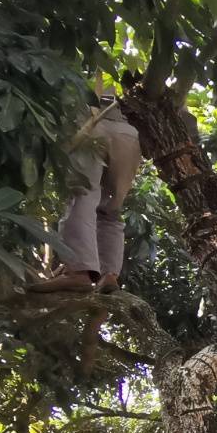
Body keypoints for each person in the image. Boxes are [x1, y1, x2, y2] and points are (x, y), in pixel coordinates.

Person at [50, 72, 143, 291]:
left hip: (90, 124)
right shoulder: (130, 66)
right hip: (129, 134)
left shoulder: (77, 58)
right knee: (111, 210)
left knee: (81, 196)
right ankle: (109, 275)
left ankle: (79, 270)